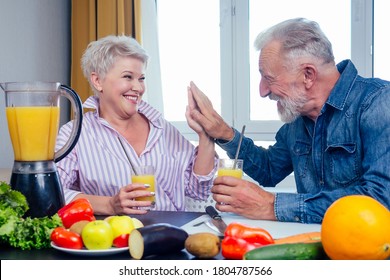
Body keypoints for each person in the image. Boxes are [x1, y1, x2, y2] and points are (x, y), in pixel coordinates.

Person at [187, 18, 390, 224]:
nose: (262, 91)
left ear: (308, 75)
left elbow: (381, 199)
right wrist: (225, 134)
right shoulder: (297, 122)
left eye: (269, 78)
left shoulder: (378, 102)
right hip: (308, 242)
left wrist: (271, 206)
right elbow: (269, 170)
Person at [56, 35, 217, 215]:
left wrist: (206, 137)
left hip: (171, 236)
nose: (138, 88)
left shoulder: (162, 128)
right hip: (114, 240)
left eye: (141, 78)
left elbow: (198, 190)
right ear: (98, 81)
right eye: (128, 77)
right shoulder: (74, 134)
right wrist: (109, 204)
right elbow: (54, 194)